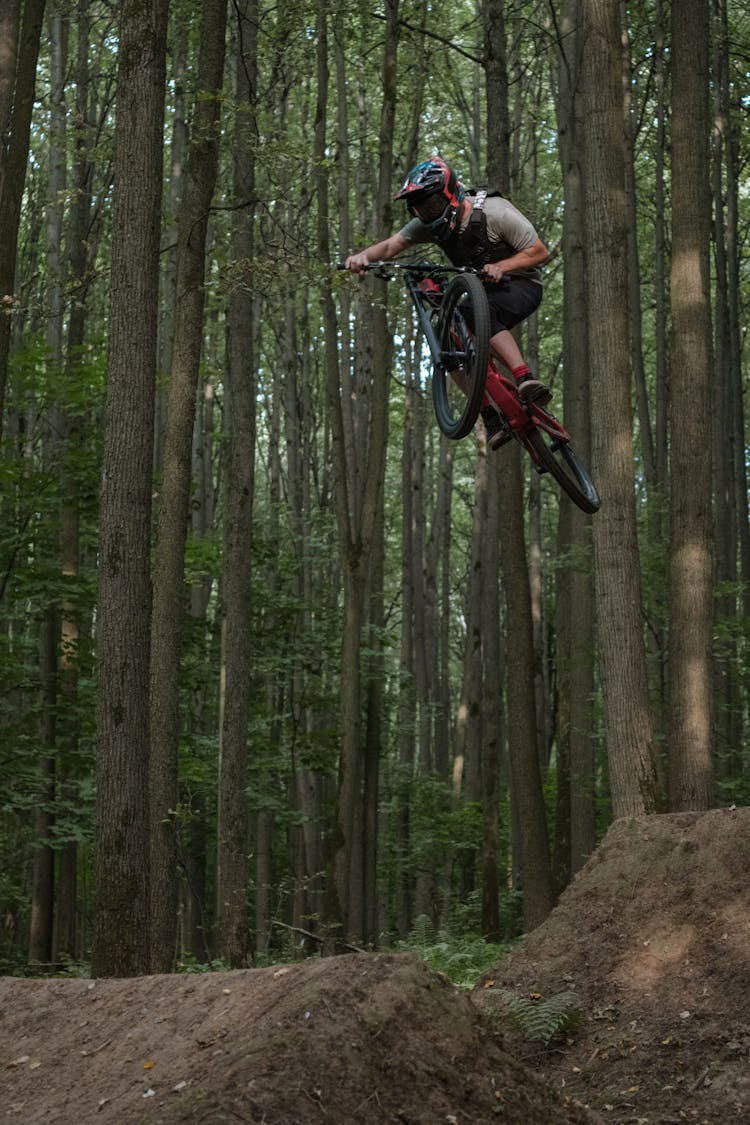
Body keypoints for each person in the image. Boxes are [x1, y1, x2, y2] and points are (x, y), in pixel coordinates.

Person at [344, 156, 550, 450]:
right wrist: (363, 257)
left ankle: (524, 378)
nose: (425, 213)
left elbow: (539, 251)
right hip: (482, 294)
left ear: (450, 194)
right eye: (417, 209)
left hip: (522, 284)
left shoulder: (495, 213)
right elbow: (392, 245)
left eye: (430, 205)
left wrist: (503, 266)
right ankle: (490, 417)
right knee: (449, 338)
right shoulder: (428, 224)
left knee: (480, 316)